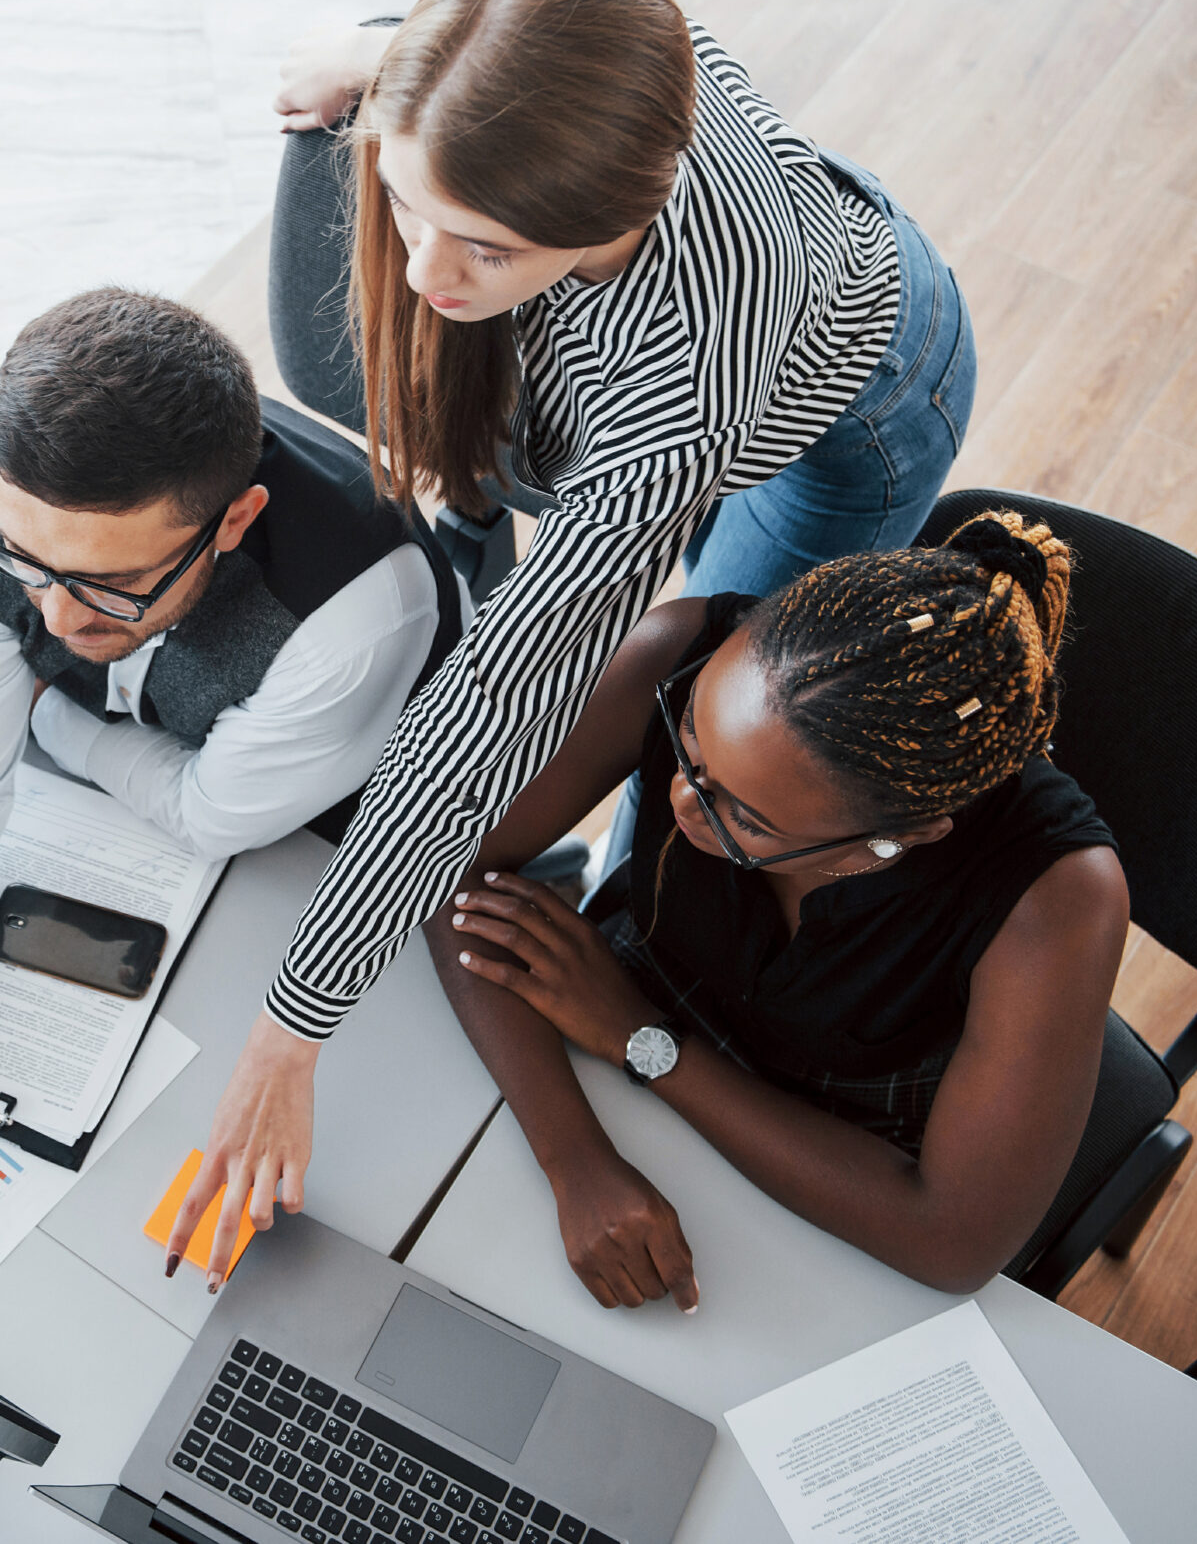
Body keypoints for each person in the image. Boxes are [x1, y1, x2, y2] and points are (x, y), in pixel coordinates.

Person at [171, 0, 980, 1284]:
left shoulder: (668, 403)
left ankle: (631, 941)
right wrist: (372, 67)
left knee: (715, 740)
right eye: (409, 202)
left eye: (480, 247)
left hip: (852, 398)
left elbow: (491, 709)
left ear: (615, 209)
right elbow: (477, 64)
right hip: (770, 233)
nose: (428, 272)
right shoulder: (564, 18)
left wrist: (288, 1032)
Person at [0, 288, 459, 1089]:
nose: (58, 617)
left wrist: (46, 713)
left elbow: (209, 815)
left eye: (115, 582)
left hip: (344, 822)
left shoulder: (354, 622)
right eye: (24, 559)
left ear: (235, 521)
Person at [430, 513, 1125, 1303]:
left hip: (840, 1172)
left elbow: (950, 1239)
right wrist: (575, 1157)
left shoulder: (1056, 899)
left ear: (899, 839)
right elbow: (445, 863)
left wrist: (645, 1040)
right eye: (689, 739)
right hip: (605, 1040)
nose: (680, 802)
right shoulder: (679, 649)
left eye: (746, 819)